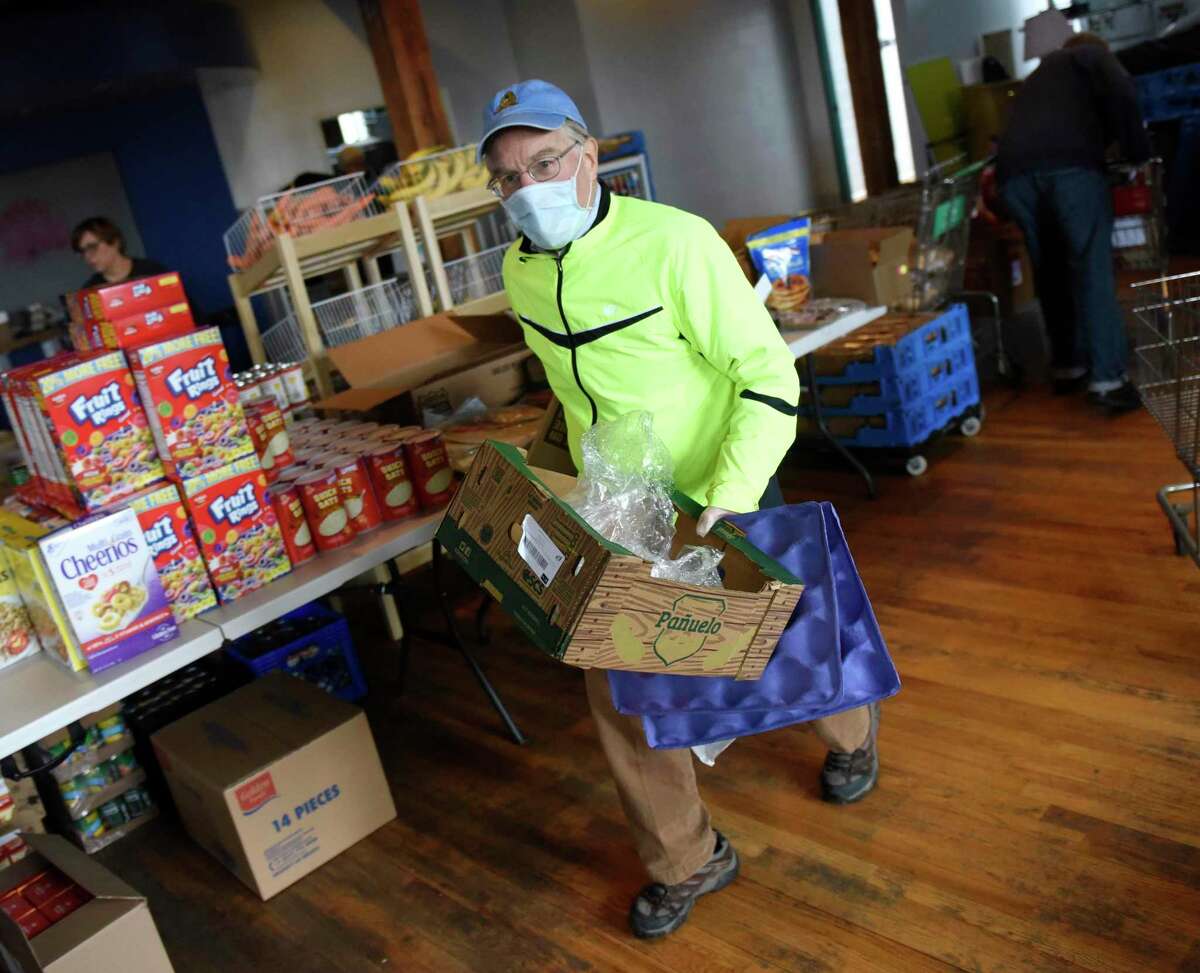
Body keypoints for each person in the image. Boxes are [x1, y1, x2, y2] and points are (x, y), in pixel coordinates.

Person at [480, 79, 881, 939]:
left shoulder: (676, 242)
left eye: (543, 161)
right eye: (507, 176)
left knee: (786, 638)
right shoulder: (518, 270)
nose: (528, 187)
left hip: (722, 484)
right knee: (622, 685)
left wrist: (733, 490)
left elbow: (769, 376)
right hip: (618, 505)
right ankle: (687, 856)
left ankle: (852, 733)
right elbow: (571, 388)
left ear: (587, 156)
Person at [997, 33, 1152, 412]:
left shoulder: (1040, 77)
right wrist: (1137, 154)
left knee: (1050, 270)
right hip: (1069, 171)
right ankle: (1109, 381)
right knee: (1091, 267)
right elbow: (1124, 91)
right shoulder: (1090, 55)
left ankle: (1068, 365)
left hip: (1014, 174)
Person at [71, 217, 169, 289]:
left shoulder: (152, 271)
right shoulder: (91, 291)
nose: (87, 256)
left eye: (92, 247)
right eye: (82, 252)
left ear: (114, 242)